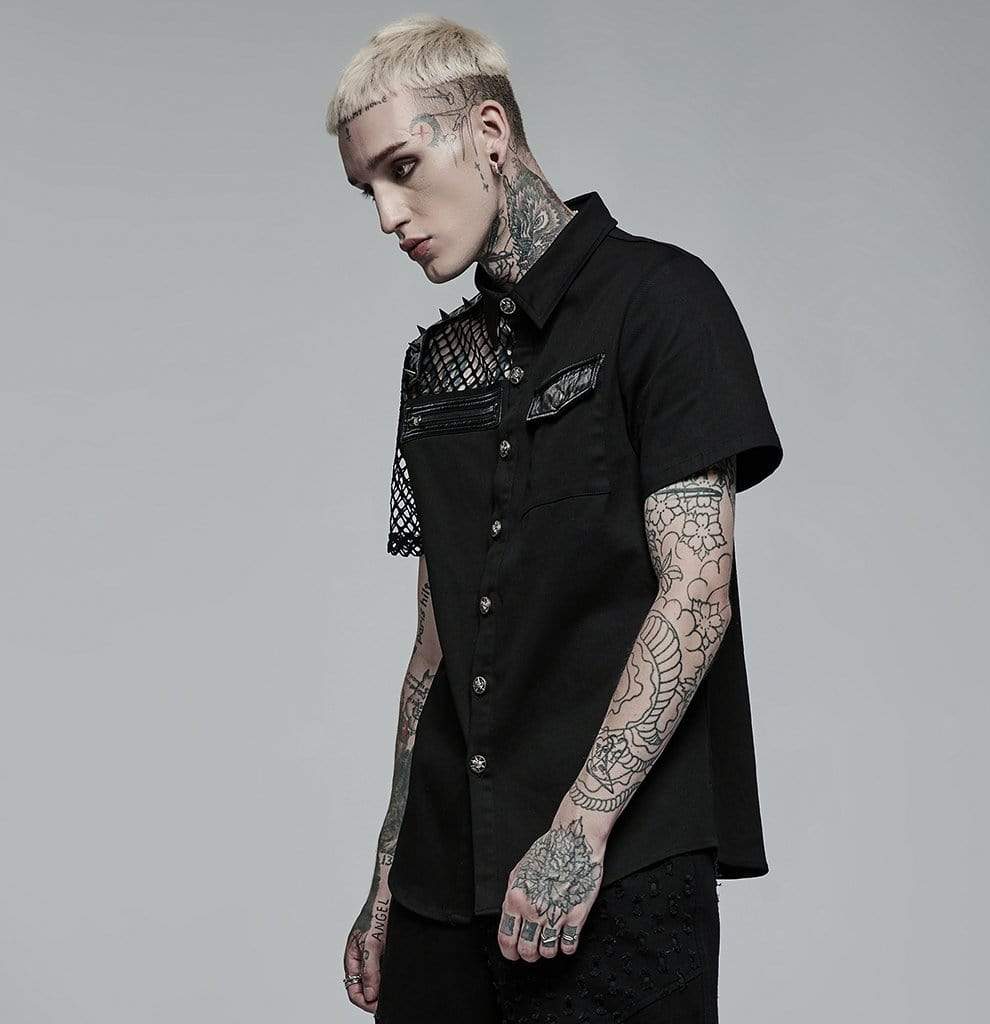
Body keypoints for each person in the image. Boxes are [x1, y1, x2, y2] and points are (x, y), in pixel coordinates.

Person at [325, 14, 783, 1023]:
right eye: (368, 190)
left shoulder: (663, 301)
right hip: (446, 878)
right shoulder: (436, 367)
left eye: (403, 168)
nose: (389, 215)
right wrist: (389, 874)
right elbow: (434, 641)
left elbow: (697, 588)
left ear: (488, 133)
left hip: (619, 868)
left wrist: (579, 827)